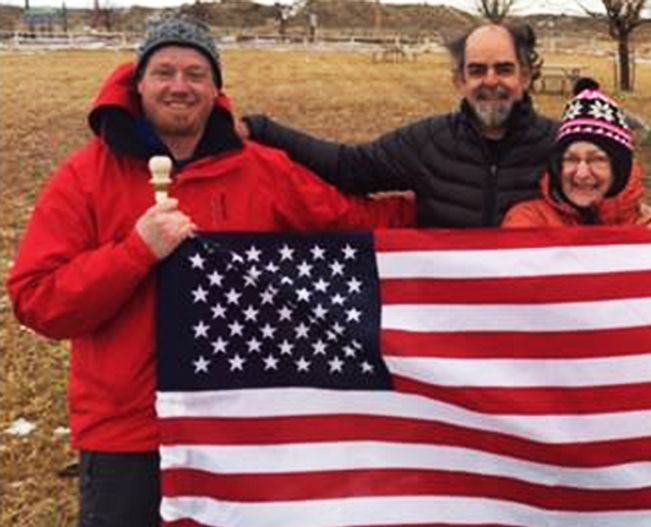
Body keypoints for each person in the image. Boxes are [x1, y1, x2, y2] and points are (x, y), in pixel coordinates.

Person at [6, 18, 412, 526]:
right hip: (131, 435)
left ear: (216, 88)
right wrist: (134, 251)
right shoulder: (86, 176)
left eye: (196, 73)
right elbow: (38, 300)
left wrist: (449, 211)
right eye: (164, 72)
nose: (180, 86)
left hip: (239, 422)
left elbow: (353, 223)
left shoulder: (262, 170)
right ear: (139, 83)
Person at [503, 81, 651, 519]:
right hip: (548, 431)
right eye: (571, 159)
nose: (581, 172)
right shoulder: (525, 224)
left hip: (631, 434)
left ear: (619, 165)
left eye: (596, 159)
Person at [238, 22, 651, 231]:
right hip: (455, 328)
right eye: (477, 70)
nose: (491, 82)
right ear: (459, 79)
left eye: (504, 69)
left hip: (538, 325)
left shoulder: (559, 145)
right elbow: (348, 167)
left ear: (526, 77)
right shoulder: (426, 142)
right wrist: (261, 128)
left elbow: (604, 195)